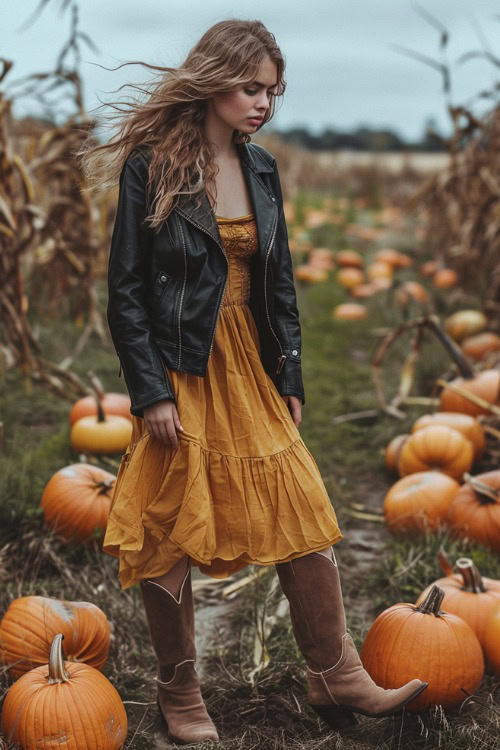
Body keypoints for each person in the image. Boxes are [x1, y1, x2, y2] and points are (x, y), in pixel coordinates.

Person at [80, 18, 427, 746]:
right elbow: (127, 293)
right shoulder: (153, 166)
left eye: (273, 90)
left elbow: (281, 284)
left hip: (252, 364)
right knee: (172, 523)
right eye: (250, 87)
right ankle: (179, 691)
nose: (264, 102)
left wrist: (291, 369)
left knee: (301, 502)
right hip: (184, 363)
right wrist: (149, 391)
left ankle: (335, 671)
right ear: (212, 83)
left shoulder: (262, 167)